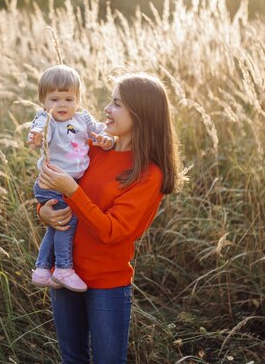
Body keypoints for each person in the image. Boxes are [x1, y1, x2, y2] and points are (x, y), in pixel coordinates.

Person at [36, 73, 184, 363]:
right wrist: (43, 212)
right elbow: (58, 199)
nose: (106, 109)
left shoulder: (148, 174)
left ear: (140, 114)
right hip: (65, 273)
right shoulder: (91, 148)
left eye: (116, 103)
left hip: (106, 283)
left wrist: (73, 189)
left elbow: (113, 231)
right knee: (72, 358)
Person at [28, 64, 114, 292]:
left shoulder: (82, 118)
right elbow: (39, 130)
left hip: (67, 183)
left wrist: (106, 139)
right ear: (43, 102)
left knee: (55, 226)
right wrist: (37, 136)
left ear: (78, 99)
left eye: (69, 98)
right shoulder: (46, 120)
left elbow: (100, 130)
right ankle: (64, 269)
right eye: (54, 99)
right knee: (68, 221)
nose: (62, 105)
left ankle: (42, 270)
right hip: (51, 183)